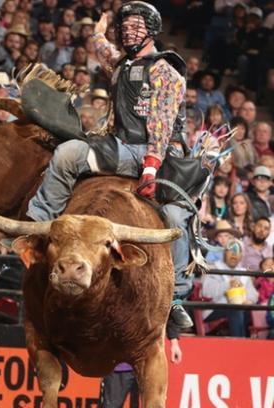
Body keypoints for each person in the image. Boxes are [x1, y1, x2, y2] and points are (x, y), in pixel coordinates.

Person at [23, 2, 195, 329]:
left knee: (174, 217)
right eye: (125, 26)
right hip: (119, 146)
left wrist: (150, 168)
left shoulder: (165, 72)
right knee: (67, 154)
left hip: (157, 154)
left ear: (151, 30)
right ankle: (39, 228)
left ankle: (177, 299)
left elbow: (160, 125)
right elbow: (103, 50)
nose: (129, 31)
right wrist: (98, 32)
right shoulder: (120, 63)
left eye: (136, 25)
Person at [201, 238, 258, 338]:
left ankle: (251, 345)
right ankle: (240, 344)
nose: (234, 254)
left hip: (239, 310)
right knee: (235, 309)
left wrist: (249, 301)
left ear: (241, 256)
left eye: (237, 251)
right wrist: (227, 285)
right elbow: (206, 292)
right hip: (214, 309)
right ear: (224, 253)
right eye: (230, 250)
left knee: (250, 311)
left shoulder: (244, 273)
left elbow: (253, 295)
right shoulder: (213, 268)